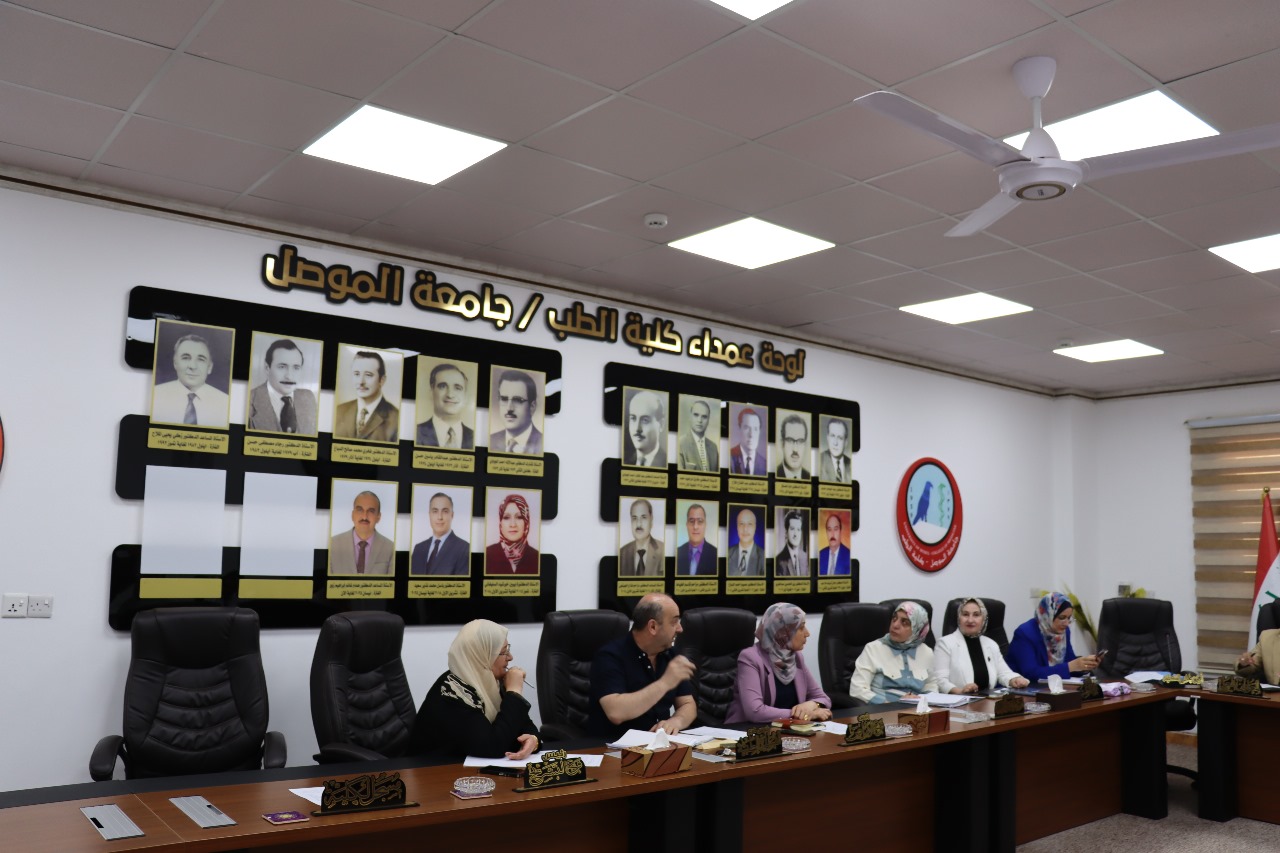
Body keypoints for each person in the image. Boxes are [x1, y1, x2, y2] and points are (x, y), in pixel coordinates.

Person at [408, 619, 539, 760]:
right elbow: (492, 747)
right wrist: (514, 692)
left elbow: (523, 725)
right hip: (432, 769)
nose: (510, 657)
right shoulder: (452, 692)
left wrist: (533, 740)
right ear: (481, 656)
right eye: (503, 652)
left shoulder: (491, 681)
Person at [587, 594, 696, 740]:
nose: (680, 628)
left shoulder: (671, 654)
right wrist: (665, 683)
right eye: (674, 622)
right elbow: (616, 713)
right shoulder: (609, 656)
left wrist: (676, 721)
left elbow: (687, 704)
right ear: (653, 627)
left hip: (659, 744)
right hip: (614, 746)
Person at [726, 603, 832, 725]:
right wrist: (803, 715)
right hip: (747, 730)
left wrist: (812, 705)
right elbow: (755, 712)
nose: (807, 633)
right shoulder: (750, 658)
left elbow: (823, 698)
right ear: (783, 632)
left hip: (787, 729)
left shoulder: (796, 657)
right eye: (801, 627)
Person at [849, 602, 938, 704]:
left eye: (905, 623)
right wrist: (888, 704)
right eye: (894, 619)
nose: (895, 625)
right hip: (884, 709)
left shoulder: (926, 652)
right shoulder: (873, 649)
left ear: (917, 629)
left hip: (918, 710)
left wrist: (926, 701)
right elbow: (857, 690)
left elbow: (930, 684)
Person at [935, 597, 1029, 694]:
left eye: (976, 615)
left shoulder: (991, 644)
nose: (970, 620)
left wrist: (1014, 679)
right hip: (959, 700)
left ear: (983, 619)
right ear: (959, 618)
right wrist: (960, 691)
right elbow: (940, 680)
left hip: (988, 699)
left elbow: (1003, 673)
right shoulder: (945, 643)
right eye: (965, 614)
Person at [1005, 592, 1101, 680]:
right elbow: (1030, 673)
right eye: (1062, 618)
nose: (1066, 623)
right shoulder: (1025, 633)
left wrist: (1085, 665)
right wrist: (1070, 666)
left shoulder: (1064, 631)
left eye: (1069, 618)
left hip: (1052, 688)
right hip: (1022, 689)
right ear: (1048, 614)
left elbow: (1069, 661)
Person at [152, 333, 230, 428]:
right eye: (185, 358)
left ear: (209, 367)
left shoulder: (225, 403)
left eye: (201, 359)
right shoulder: (155, 395)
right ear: (175, 363)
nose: (193, 366)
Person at [247, 338, 317, 435]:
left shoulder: (308, 397)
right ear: (267, 368)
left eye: (296, 368)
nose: (289, 376)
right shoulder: (249, 400)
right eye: (282, 367)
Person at [333, 351, 399, 442]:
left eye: (368, 375)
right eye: (357, 374)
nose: (361, 382)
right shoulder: (339, 411)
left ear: (382, 380)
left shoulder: (396, 419)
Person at [329, 490, 394, 575]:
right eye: (360, 510)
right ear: (352, 515)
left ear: (378, 517)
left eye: (371, 511)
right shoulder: (332, 545)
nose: (364, 517)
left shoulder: (390, 548)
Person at [415, 362, 474, 449]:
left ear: (465, 395)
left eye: (457, 388)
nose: (450, 395)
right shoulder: (416, 432)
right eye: (442, 386)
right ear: (431, 391)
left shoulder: (474, 437)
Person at [410, 492, 470, 575]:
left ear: (452, 515)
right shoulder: (419, 548)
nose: (439, 517)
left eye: (445, 511)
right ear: (429, 515)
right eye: (435, 511)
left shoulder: (464, 549)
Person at [489, 369, 542, 454]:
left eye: (518, 400)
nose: (509, 408)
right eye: (504, 399)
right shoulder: (491, 441)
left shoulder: (543, 444)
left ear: (532, 407)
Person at [485, 493, 538, 574]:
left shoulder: (536, 557)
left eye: (519, 517)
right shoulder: (487, 554)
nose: (513, 524)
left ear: (526, 523)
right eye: (506, 517)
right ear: (500, 523)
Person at [619, 498, 664, 576]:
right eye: (634, 518)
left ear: (651, 520)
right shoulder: (622, 553)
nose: (638, 524)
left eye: (644, 517)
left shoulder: (662, 550)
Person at [623, 390, 666, 467]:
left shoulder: (666, 462)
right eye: (633, 418)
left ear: (661, 424)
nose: (637, 429)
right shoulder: (626, 462)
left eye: (645, 420)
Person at [677, 398, 719, 472]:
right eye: (696, 415)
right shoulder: (680, 444)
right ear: (690, 417)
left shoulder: (713, 448)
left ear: (708, 420)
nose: (699, 420)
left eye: (704, 417)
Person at [676, 503, 718, 576]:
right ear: (687, 525)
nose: (695, 527)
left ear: (705, 525)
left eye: (700, 521)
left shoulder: (715, 554)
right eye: (691, 521)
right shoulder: (677, 553)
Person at [726, 507, 764, 576]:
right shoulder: (727, 553)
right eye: (741, 524)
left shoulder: (763, 557)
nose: (745, 529)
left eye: (750, 524)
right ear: (737, 527)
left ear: (755, 527)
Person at [729, 407, 766, 476]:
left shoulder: (764, 464)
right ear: (739, 429)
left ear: (759, 432)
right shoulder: (729, 457)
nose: (751, 435)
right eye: (747, 428)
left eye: (755, 429)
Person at [775, 413, 811, 479]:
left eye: (800, 441)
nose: (795, 449)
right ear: (782, 443)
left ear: (805, 445)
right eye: (790, 440)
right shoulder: (774, 474)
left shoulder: (809, 477)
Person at [774, 510, 809, 576]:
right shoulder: (779, 561)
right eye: (792, 529)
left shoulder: (804, 556)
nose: (796, 534)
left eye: (798, 529)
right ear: (786, 532)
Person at [819, 418, 853, 483]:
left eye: (840, 438)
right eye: (832, 436)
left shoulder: (851, 464)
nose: (835, 443)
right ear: (827, 438)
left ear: (846, 442)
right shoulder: (820, 460)